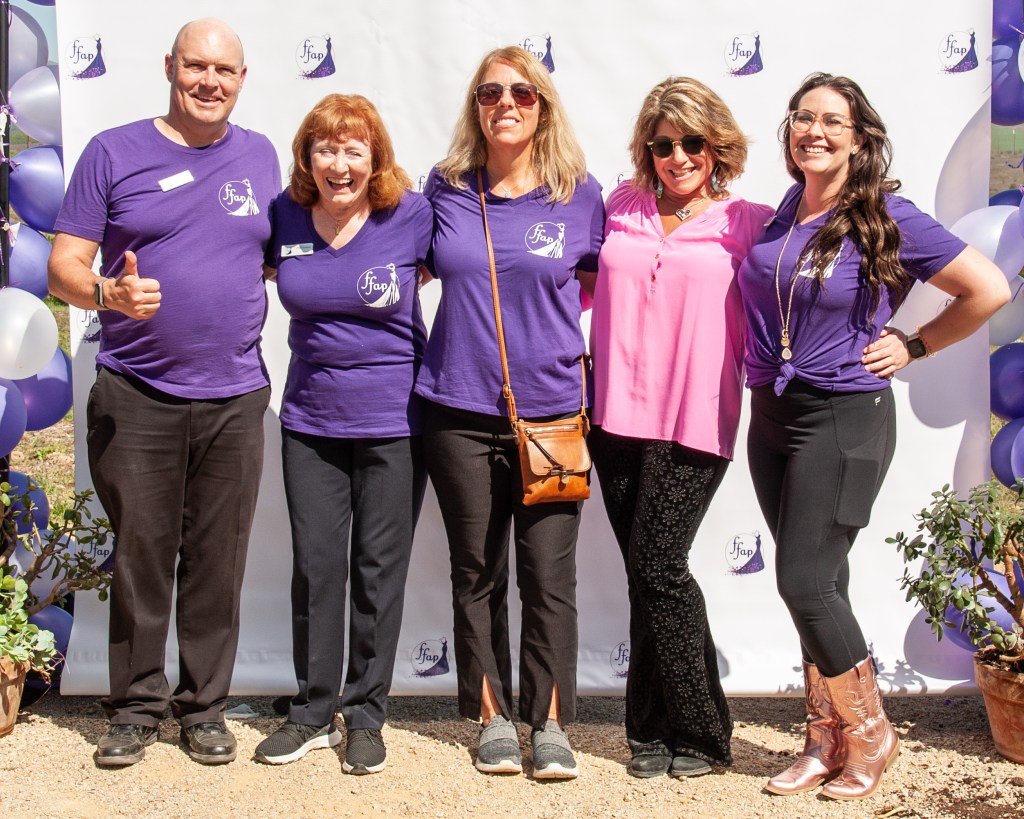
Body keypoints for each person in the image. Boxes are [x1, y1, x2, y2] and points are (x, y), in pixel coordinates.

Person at [738, 72, 1009, 800]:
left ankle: (870, 732)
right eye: (803, 118)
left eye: (833, 121)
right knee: (821, 583)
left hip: (844, 416)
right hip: (774, 415)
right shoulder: (786, 210)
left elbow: (988, 287)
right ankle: (825, 737)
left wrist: (916, 344)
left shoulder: (886, 214)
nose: (814, 131)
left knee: (803, 580)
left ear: (860, 140)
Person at [48, 18, 281, 767]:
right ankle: (135, 707)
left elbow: (279, 255)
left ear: (241, 79)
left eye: (224, 70)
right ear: (170, 66)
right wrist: (107, 293)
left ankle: (204, 708)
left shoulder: (262, 155)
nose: (210, 81)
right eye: (196, 66)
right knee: (142, 556)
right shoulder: (112, 151)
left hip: (236, 396)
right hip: (138, 392)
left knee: (218, 560)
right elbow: (63, 266)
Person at [415, 46, 604, 779]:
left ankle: (549, 723)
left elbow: (602, 289)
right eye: (491, 92)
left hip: (553, 415)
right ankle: (491, 715)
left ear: (543, 106)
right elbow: (404, 262)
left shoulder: (579, 194)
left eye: (523, 93)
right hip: (456, 409)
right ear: (476, 105)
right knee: (476, 571)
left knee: (549, 577)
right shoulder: (446, 187)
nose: (506, 104)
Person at [588, 77, 773, 779]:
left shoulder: (749, 221)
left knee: (660, 566)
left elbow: (813, 270)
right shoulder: (619, 206)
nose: (677, 156)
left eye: (692, 141)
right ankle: (648, 729)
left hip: (695, 417)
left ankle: (701, 732)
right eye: (662, 144)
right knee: (643, 573)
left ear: (717, 146)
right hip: (613, 415)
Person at [253, 94, 429, 776]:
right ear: (307, 157)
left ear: (375, 159)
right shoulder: (285, 215)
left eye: (355, 149)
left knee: (378, 572)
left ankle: (365, 715)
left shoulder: (410, 215)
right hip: (310, 422)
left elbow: (474, 273)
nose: (340, 163)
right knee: (316, 567)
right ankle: (310, 711)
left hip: (394, 423)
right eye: (325, 148)